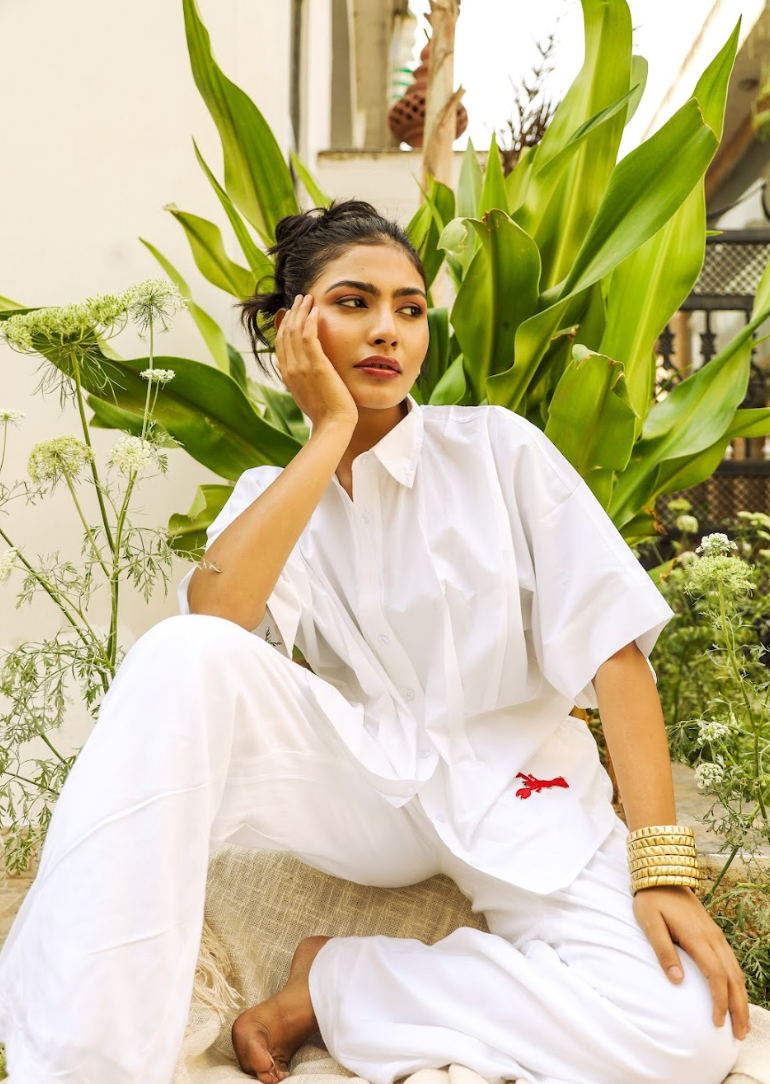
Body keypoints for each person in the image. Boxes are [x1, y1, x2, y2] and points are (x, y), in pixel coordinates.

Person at [0, 200, 749, 1084]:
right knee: (177, 655)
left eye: (410, 307)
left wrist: (661, 867)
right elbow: (216, 623)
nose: (388, 330)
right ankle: (82, 1064)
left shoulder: (499, 453)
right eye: (354, 303)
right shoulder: (270, 495)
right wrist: (328, 437)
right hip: (365, 790)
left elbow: (615, 658)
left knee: (688, 1036)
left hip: (521, 789)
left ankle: (337, 979)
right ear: (294, 330)